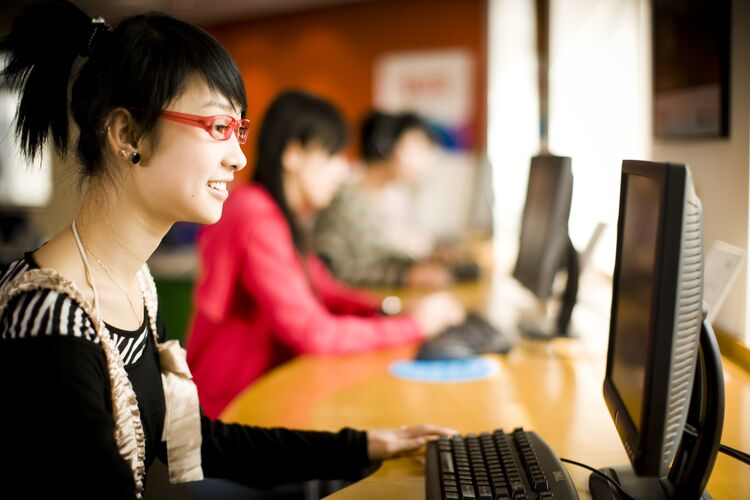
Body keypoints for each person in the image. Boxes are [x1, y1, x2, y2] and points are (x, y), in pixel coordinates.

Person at [0, 2, 456, 498]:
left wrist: (364, 445)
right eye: (218, 127)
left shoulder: (133, 287)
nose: (238, 156)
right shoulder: (48, 319)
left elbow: (200, 439)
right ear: (128, 134)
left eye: (239, 130)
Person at [187, 90, 466, 419]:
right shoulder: (257, 215)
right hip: (232, 409)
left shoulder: (276, 211)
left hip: (258, 396)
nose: (341, 171)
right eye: (332, 156)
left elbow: (321, 286)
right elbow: (313, 333)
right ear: (293, 153)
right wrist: (415, 325)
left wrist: (390, 309)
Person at [313, 110, 455, 289]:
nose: (426, 159)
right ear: (385, 145)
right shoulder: (343, 196)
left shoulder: (394, 196)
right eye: (416, 146)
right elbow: (333, 269)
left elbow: (380, 257)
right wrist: (406, 275)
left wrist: (419, 263)